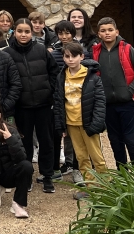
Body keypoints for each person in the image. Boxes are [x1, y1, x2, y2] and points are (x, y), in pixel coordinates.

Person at [4, 18, 59, 193]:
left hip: (43, 105)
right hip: (22, 106)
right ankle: (26, 176)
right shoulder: (8, 53)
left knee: (46, 141)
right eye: (20, 31)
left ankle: (47, 175)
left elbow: (54, 72)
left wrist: (49, 91)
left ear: (31, 33)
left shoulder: (41, 50)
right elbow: (7, 80)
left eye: (27, 31)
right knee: (24, 143)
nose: (23, 35)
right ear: (15, 32)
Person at [91, 17, 134, 167]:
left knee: (131, 139)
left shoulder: (127, 48)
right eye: (103, 31)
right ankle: (122, 175)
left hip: (129, 103)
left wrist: (129, 92)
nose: (107, 33)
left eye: (110, 30)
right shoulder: (95, 52)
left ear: (117, 32)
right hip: (108, 104)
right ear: (99, 34)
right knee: (115, 140)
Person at [54, 42, 108, 199]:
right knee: (82, 157)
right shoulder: (61, 76)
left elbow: (100, 101)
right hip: (71, 123)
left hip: (88, 123)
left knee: (97, 157)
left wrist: (97, 123)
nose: (70, 59)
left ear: (82, 57)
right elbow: (58, 101)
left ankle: (104, 186)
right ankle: (90, 187)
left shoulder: (91, 76)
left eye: (74, 56)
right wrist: (61, 125)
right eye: (67, 56)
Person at [50, 20, 80, 180]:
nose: (64, 36)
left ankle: (77, 167)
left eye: (67, 33)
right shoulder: (53, 54)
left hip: (76, 100)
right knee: (57, 134)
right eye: (61, 33)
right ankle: (58, 167)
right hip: (58, 100)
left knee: (76, 136)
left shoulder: (81, 51)